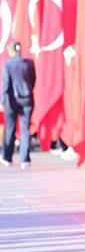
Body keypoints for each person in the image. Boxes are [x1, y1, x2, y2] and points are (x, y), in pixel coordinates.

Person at [1, 40, 36, 169]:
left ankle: (7, 157)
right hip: (27, 99)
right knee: (25, 129)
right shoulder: (28, 63)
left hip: (12, 100)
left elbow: (5, 84)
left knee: (10, 128)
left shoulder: (8, 64)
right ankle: (24, 159)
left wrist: (2, 101)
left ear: (11, 50)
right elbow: (33, 79)